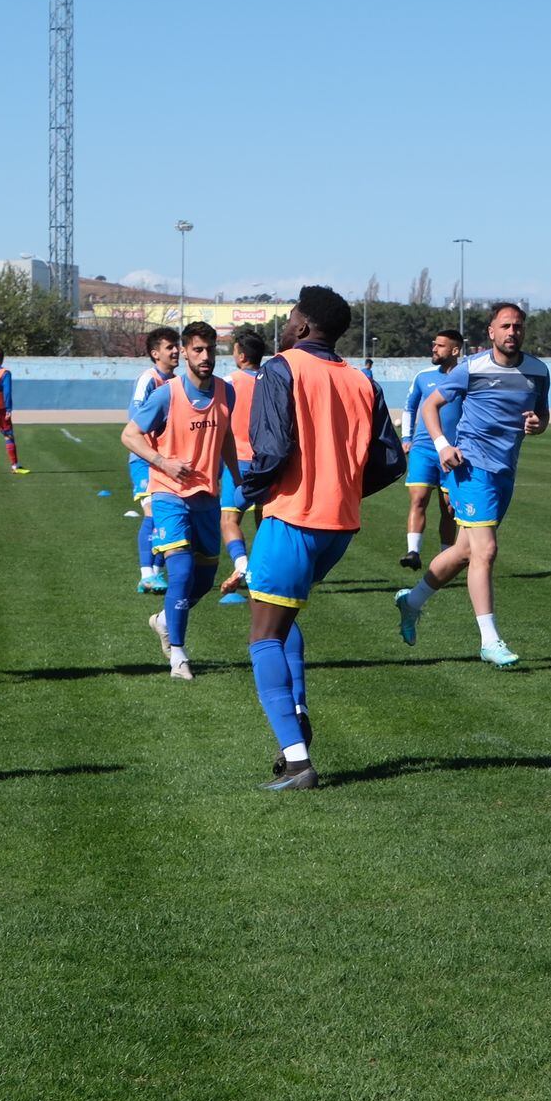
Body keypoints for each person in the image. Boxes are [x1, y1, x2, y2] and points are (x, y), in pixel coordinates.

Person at [241, 286, 403, 790]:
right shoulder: (362, 381)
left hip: (292, 518)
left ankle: (297, 761)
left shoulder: (281, 366)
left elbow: (271, 449)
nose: (286, 327)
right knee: (284, 620)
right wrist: (344, 489)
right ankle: (298, 711)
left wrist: (243, 495)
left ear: (305, 326)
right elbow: (391, 461)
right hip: (339, 527)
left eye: (291, 319)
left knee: (263, 636)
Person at [394, 303, 551, 667]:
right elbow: (429, 407)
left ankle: (412, 601)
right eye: (505, 326)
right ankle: (490, 640)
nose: (512, 332)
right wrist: (442, 445)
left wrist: (537, 424)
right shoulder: (471, 369)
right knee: (486, 551)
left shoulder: (538, 371)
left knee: (465, 550)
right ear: (491, 332)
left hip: (504, 471)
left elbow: (541, 414)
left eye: (518, 326)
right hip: (470, 468)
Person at [123, 323, 241, 679]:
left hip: (207, 496)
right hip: (168, 494)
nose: (205, 357)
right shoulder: (167, 394)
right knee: (182, 571)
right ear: (185, 353)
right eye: (198, 350)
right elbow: (130, 435)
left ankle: (164, 619)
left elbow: (226, 437)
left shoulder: (226, 392)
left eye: (210, 350)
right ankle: (178, 656)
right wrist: (162, 463)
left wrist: (237, 476)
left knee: (204, 580)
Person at [398, 328, 464, 569]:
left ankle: (446, 559)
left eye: (440, 346)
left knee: (448, 507)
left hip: (454, 451)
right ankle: (413, 552)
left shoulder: (466, 377)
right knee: (418, 499)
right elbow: (410, 407)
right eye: (434, 344)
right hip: (424, 449)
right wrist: (407, 437)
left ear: (455, 350)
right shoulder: (423, 376)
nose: (434, 349)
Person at [215, 330, 268, 604]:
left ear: (241, 355)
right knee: (265, 521)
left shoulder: (228, 383)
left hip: (239, 461)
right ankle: (262, 571)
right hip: (270, 463)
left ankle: (242, 565)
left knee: (229, 519)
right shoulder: (273, 381)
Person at [127, 327, 180, 594]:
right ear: (154, 353)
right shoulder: (148, 379)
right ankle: (146, 573)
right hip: (144, 458)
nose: (175, 351)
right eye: (169, 347)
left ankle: (156, 574)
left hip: (164, 461)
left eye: (176, 346)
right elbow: (136, 416)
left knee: (165, 516)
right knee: (152, 512)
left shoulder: (176, 383)